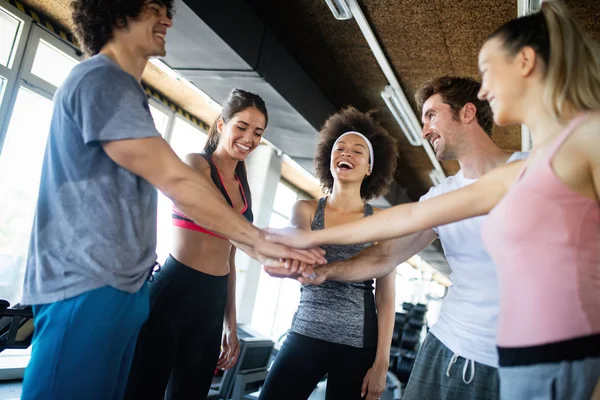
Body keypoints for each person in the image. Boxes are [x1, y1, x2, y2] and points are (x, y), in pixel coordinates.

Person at [265, 1, 600, 399]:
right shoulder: (527, 168)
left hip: (550, 360)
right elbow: (411, 219)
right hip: (470, 350)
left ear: (525, 61)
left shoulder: (582, 142)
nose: (487, 87)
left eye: (489, 72)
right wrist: (313, 251)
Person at [19, 1, 324, 399]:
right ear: (116, 11)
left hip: (122, 291)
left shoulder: (127, 92)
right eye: (152, 8)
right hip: (84, 289)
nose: (167, 20)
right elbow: (176, 179)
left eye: (168, 10)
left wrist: (256, 246)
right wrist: (261, 243)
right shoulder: (101, 80)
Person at [267, 76, 527, 400]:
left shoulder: (532, 172)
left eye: (431, 115)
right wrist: (324, 272)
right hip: (443, 346)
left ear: (468, 112)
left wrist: (380, 360)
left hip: (512, 360)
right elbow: (383, 256)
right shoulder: (439, 196)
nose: (424, 131)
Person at [124, 88, 267, 399]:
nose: (249, 138)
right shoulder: (196, 164)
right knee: (142, 389)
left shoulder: (244, 192)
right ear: (221, 125)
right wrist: (265, 244)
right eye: (241, 126)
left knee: (192, 393)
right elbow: (225, 220)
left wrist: (230, 320)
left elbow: (230, 258)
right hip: (173, 290)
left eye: (258, 132)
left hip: (212, 304)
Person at [258, 107, 398, 400]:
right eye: (340, 148)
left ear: (370, 167)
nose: (347, 153)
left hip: (359, 343)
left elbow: (385, 296)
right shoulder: (306, 209)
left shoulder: (381, 221)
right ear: (329, 158)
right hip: (307, 330)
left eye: (358, 150)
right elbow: (298, 237)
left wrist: (382, 362)